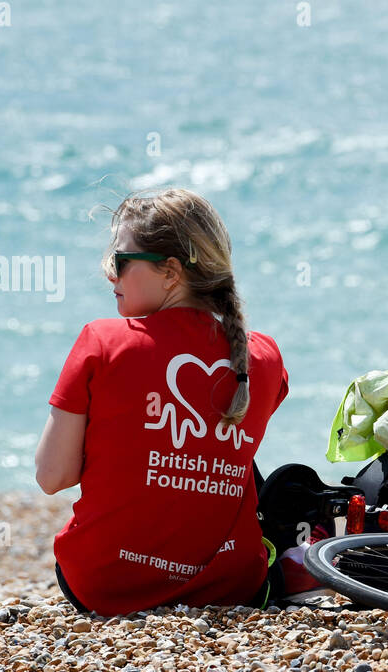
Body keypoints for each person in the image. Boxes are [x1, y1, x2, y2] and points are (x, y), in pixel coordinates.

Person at [35, 188, 288, 616]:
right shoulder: (263, 356)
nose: (109, 276)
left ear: (171, 272)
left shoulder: (102, 342)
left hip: (105, 581)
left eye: (119, 261)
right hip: (230, 582)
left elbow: (52, 475)